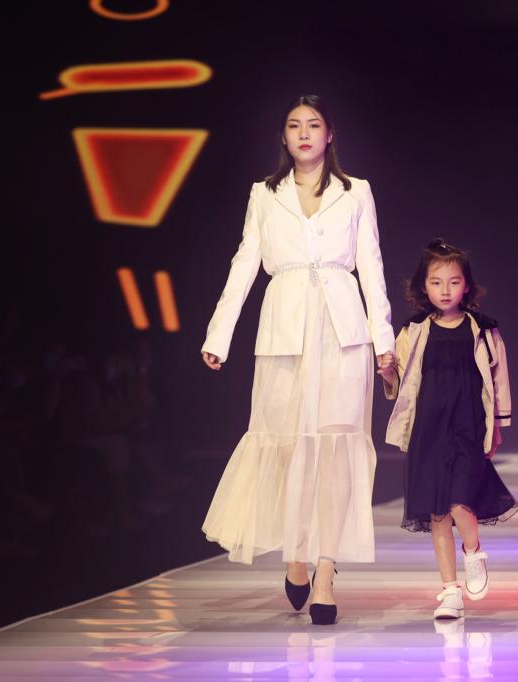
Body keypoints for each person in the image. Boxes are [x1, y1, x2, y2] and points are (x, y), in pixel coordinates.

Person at [199, 95, 395, 625]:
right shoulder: (264, 194)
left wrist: (384, 341)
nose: (304, 133)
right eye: (294, 125)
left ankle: (326, 570)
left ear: (330, 134)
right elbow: (244, 263)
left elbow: (372, 266)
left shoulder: (356, 192)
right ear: (284, 137)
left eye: (313, 124)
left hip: (342, 329)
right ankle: (295, 552)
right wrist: (220, 333)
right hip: (284, 327)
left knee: (336, 445)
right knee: (286, 442)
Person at [381, 239, 518, 620]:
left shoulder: (484, 330)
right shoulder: (413, 331)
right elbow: (400, 382)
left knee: (460, 503)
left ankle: (473, 553)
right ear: (423, 286)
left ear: (467, 286)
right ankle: (450, 591)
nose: (445, 290)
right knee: (438, 514)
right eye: (436, 282)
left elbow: (499, 379)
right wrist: (387, 372)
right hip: (428, 432)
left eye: (454, 282)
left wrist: (498, 426)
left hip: (468, 429)